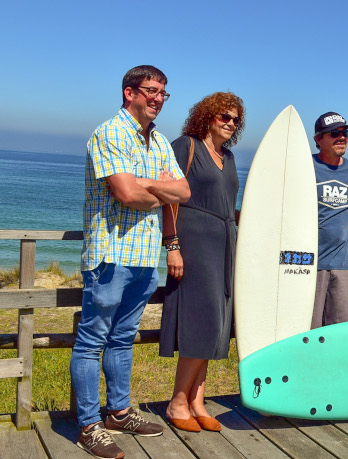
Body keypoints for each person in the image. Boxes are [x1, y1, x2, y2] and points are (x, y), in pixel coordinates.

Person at [73, 65, 190, 458]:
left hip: (144, 256)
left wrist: (148, 185)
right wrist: (158, 188)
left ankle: (118, 412)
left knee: (122, 339)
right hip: (110, 254)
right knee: (92, 341)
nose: (158, 98)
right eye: (151, 90)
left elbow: (184, 191)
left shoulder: (157, 143)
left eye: (163, 93)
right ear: (129, 92)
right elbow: (126, 194)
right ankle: (89, 426)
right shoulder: (109, 132)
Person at [158, 92, 245, 432]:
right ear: (208, 116)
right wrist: (172, 245)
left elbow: (228, 202)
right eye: (224, 116)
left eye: (235, 119)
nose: (230, 123)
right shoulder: (186, 146)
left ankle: (198, 399)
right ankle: (178, 401)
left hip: (225, 242)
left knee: (218, 320)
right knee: (202, 319)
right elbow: (167, 197)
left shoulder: (230, 156)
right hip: (194, 241)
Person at [311, 111, 348, 328]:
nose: (342, 137)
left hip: (340, 262)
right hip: (309, 264)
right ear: (318, 139)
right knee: (308, 330)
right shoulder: (305, 166)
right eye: (334, 133)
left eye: (345, 132)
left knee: (339, 330)